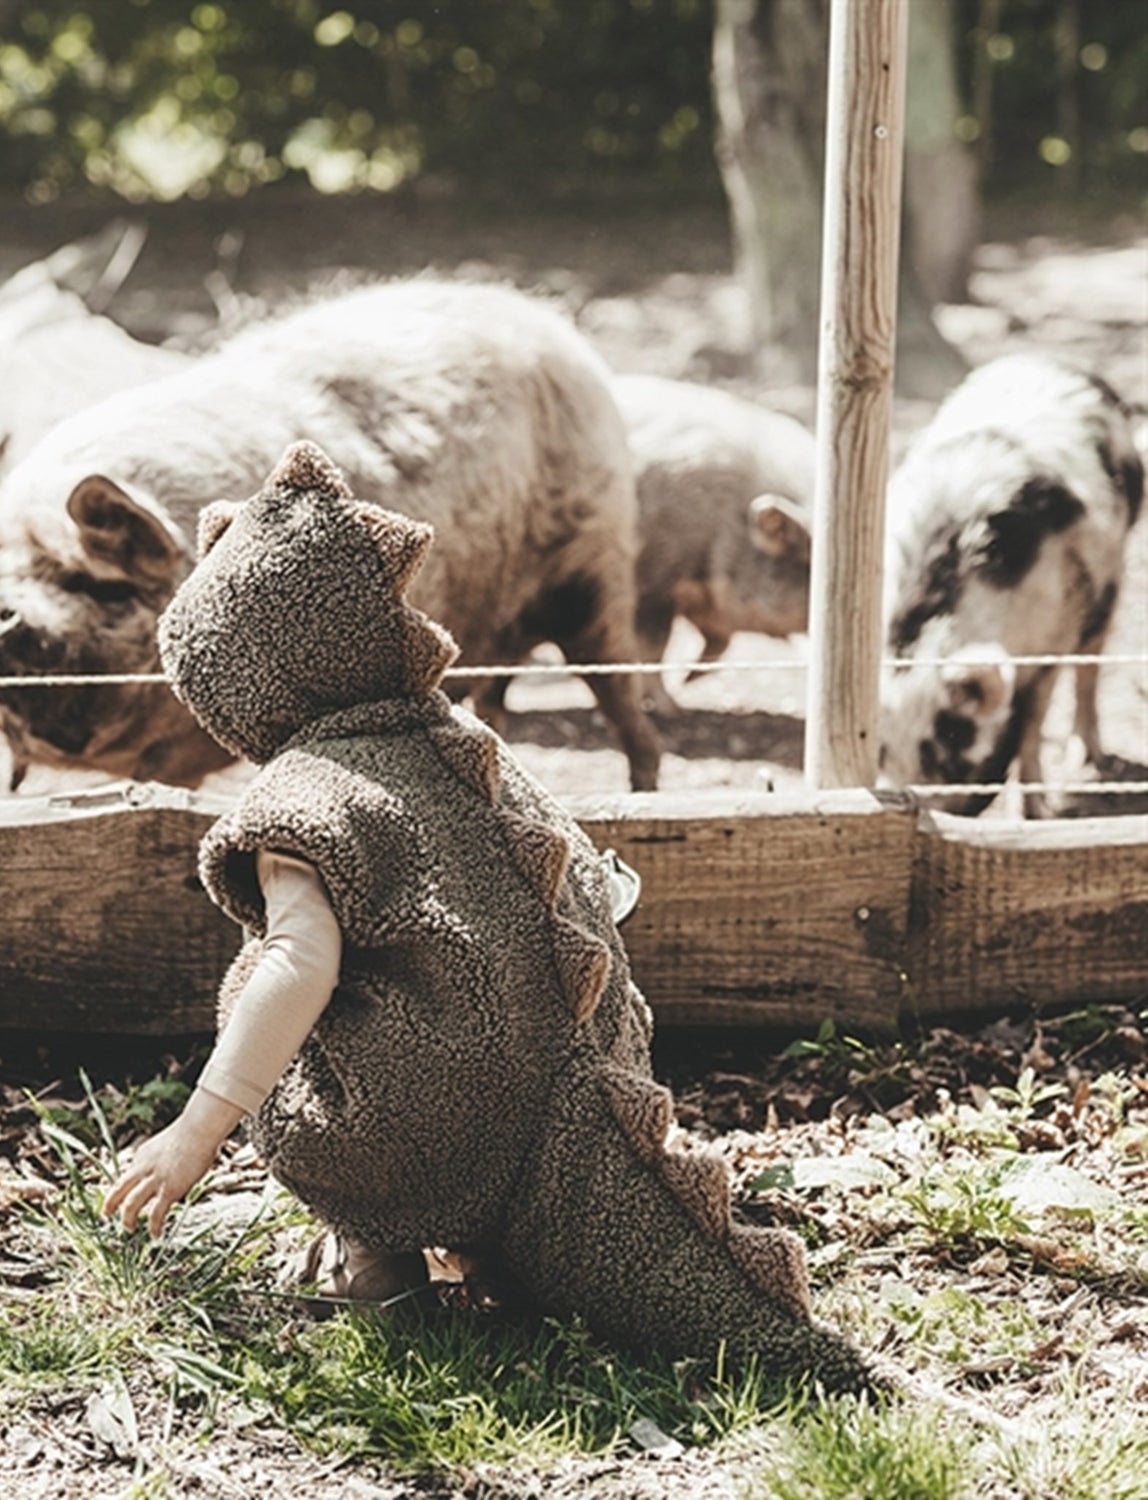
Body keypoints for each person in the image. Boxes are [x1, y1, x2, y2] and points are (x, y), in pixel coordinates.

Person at [104, 440, 872, 1386]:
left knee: (263, 992)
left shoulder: (302, 799)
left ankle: (373, 1259)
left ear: (240, 677)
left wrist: (196, 1133)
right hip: (564, 1097)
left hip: (429, 1132)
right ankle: (500, 1247)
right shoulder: (459, 744)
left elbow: (299, 964)